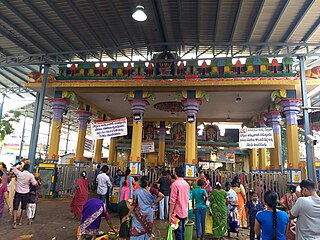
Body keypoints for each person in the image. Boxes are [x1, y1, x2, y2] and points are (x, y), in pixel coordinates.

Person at [11, 162, 37, 229]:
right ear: (28, 168)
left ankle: (14, 221)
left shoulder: (19, 173)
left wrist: (18, 162)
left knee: (15, 207)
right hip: (26, 192)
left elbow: (13, 167)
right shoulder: (30, 175)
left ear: (23, 168)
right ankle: (20, 221)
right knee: (23, 207)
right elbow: (34, 183)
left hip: (18, 192)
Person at [168, 166, 190, 240]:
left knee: (178, 232)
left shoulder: (175, 184)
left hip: (176, 213)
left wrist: (170, 213)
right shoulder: (186, 184)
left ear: (175, 173)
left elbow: (172, 201)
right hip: (185, 212)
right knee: (182, 231)